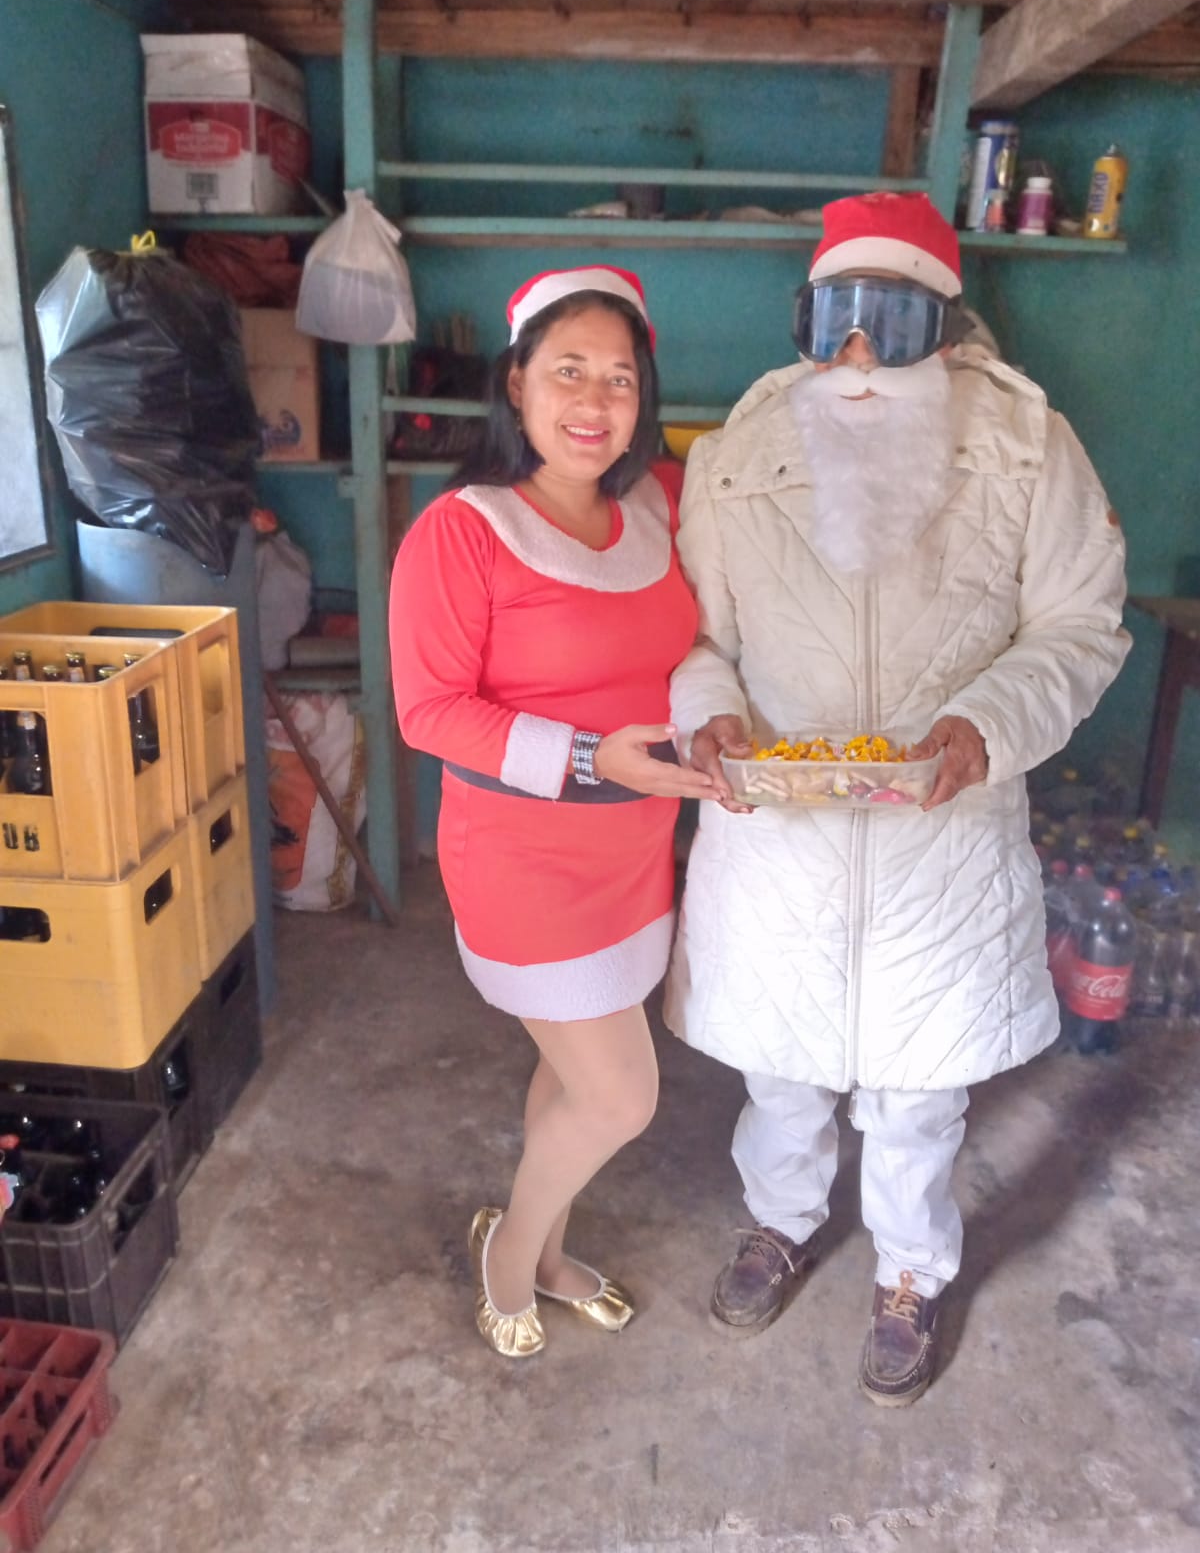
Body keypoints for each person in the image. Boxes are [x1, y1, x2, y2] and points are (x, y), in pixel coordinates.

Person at [665, 193, 1130, 1405]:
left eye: (894, 320)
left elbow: (1081, 626)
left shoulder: (1029, 446)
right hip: (783, 832)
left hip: (944, 831)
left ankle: (912, 1270)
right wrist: (707, 713)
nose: (862, 354)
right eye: (837, 320)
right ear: (805, 321)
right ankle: (780, 1222)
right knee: (780, 1069)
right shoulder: (737, 454)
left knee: (921, 1088)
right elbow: (698, 637)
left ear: (947, 326)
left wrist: (986, 726)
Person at [390, 265, 714, 1359]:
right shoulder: (464, 530)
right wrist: (588, 759)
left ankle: (549, 1248)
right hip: (524, 861)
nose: (595, 400)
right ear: (517, 382)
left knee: (573, 1070)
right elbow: (430, 712)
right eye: (568, 370)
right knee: (621, 1096)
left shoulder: (658, 503)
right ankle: (511, 1251)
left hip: (636, 853)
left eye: (620, 378)